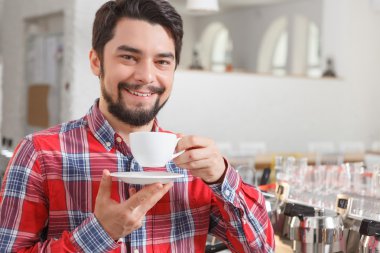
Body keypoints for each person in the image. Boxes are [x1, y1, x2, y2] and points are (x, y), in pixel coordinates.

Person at [0, 0, 275, 252]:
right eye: (129, 57)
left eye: (162, 62)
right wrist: (100, 232)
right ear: (96, 62)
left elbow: (261, 248)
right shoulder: (38, 154)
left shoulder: (194, 166)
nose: (146, 76)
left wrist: (222, 178)